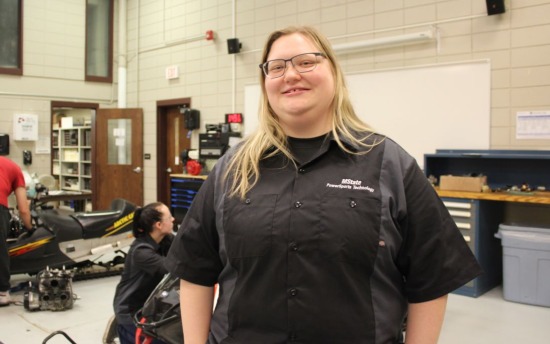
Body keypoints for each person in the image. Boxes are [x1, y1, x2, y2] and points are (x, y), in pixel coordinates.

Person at [166, 26, 482, 344]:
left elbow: (431, 278)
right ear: (265, 83)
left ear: (333, 72)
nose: (290, 75)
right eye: (277, 67)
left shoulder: (389, 163)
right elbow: (195, 271)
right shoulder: (231, 169)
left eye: (306, 62)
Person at [113, 202, 175, 344]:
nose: (173, 220)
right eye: (169, 217)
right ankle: (120, 328)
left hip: (151, 305)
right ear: (159, 225)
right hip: (131, 311)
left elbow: (185, 248)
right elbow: (170, 267)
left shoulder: (165, 240)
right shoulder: (141, 251)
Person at [0, 156, 32, 307]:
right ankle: (2, 293)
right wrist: (30, 228)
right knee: (1, 249)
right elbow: (24, 209)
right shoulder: (14, 168)